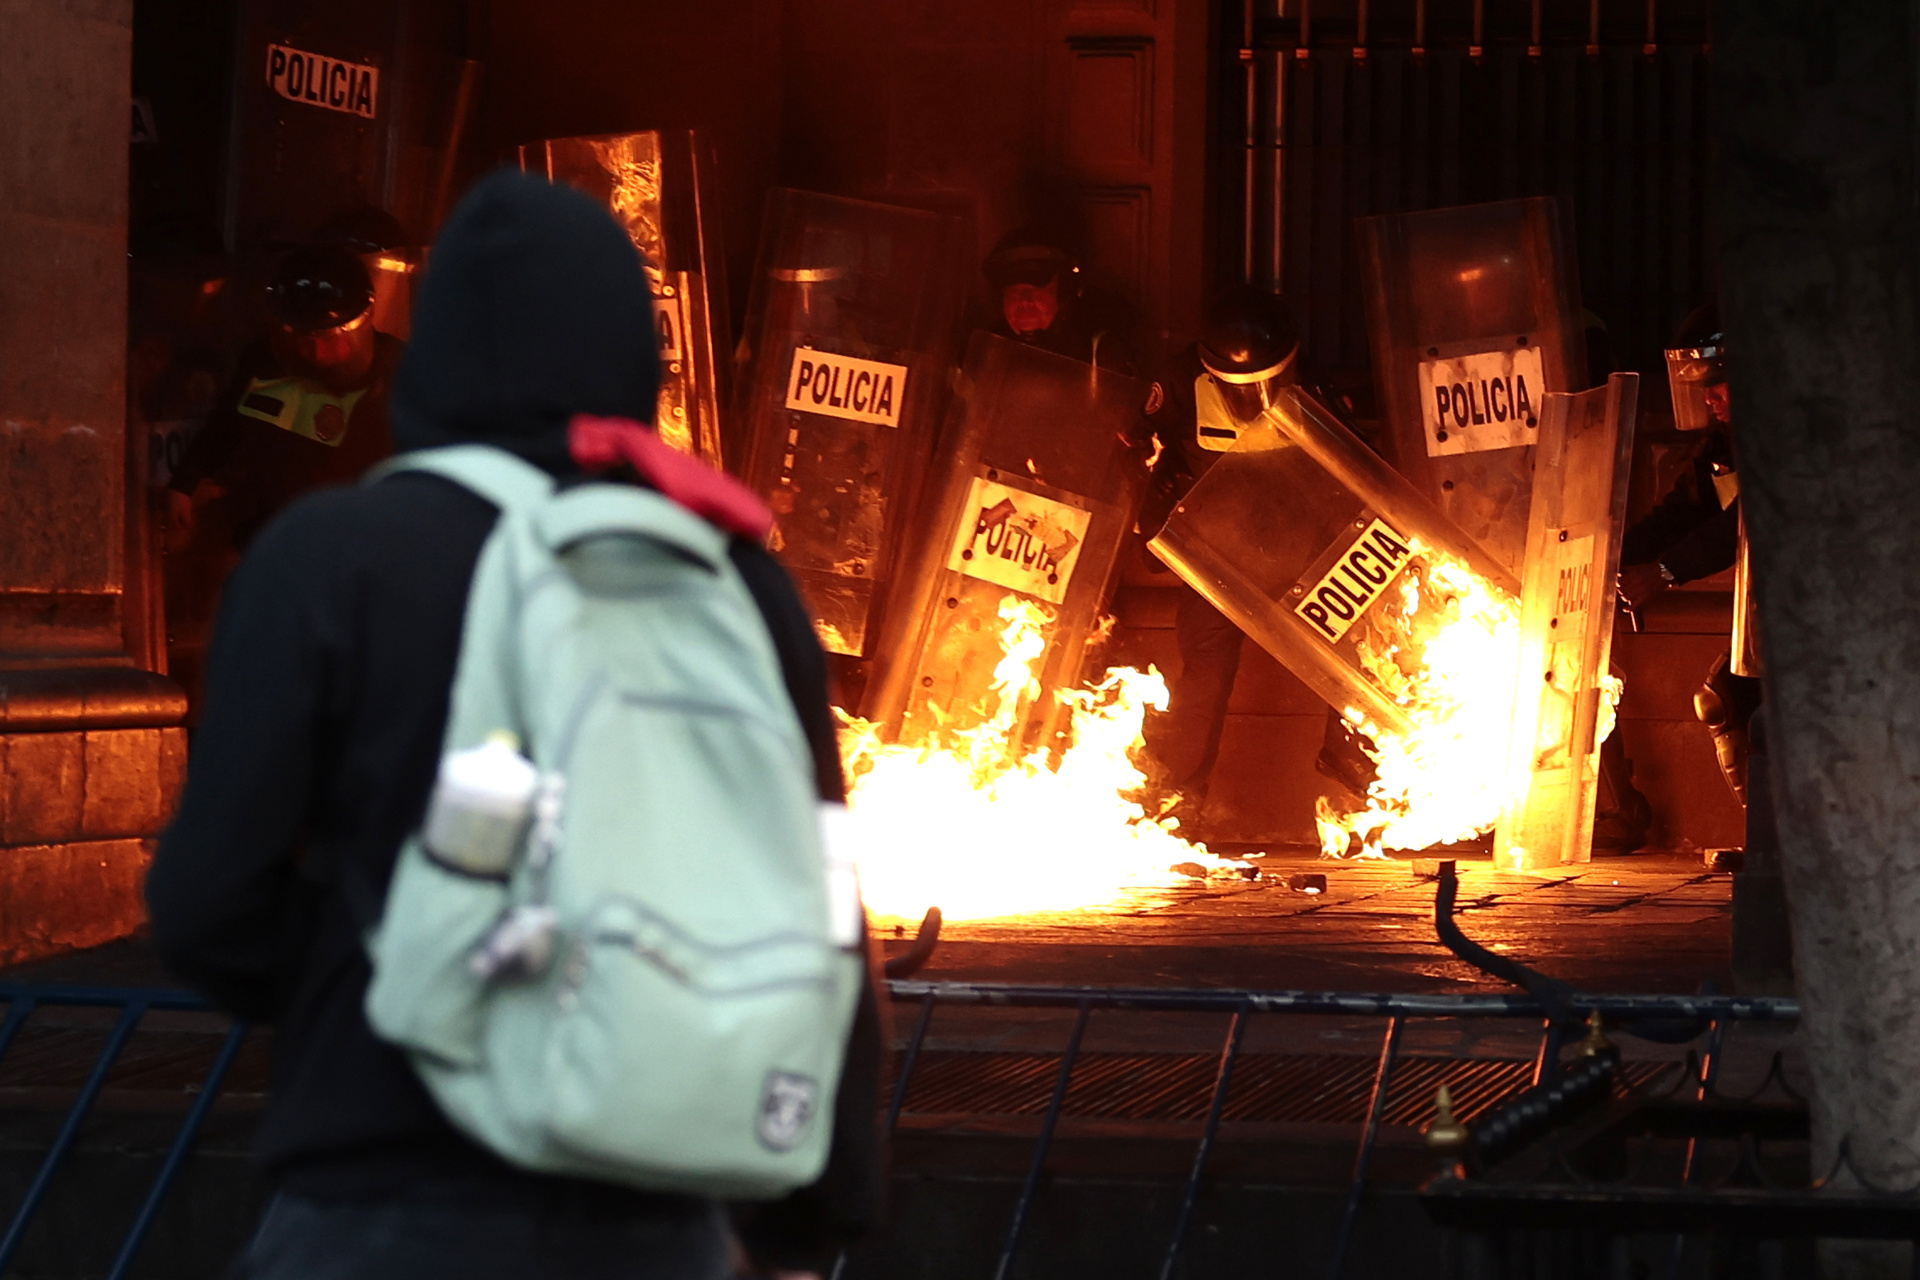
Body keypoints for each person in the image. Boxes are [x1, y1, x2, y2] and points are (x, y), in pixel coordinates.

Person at [145, 171, 881, 1280]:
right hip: (657, 1201)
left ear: (431, 353)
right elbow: (823, 899)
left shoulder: (327, 559)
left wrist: (374, 969)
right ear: (634, 355)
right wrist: (815, 1207)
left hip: (382, 1195)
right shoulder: (734, 580)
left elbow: (207, 904)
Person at [1135, 286, 1302, 818]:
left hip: (1304, 546)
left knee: (1361, 652)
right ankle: (1180, 796)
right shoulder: (1180, 381)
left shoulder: (1313, 382)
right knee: (1205, 665)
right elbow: (1140, 444)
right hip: (1216, 554)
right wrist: (1154, 515)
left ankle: (1374, 779)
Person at [1616, 303, 1761, 811]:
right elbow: (1687, 508)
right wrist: (1609, 554)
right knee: (1728, 700)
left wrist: (1663, 572)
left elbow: (1748, 521)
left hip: (1832, 607)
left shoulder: (1799, 439)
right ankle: (1778, 842)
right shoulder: (1726, 441)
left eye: (1720, 386)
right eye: (1704, 387)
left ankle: (1797, 847)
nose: (1711, 399)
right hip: (1768, 609)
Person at [979, 226, 1137, 373]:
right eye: (1013, 292)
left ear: (1065, 292)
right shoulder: (989, 354)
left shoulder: (1101, 352)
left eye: (1036, 289)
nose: (1024, 302)